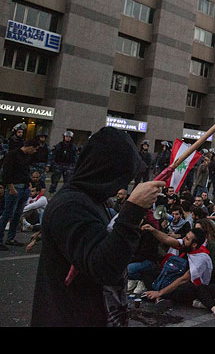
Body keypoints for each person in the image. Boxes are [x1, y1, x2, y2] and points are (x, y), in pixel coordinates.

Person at [30, 126, 165, 327]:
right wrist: (132, 211)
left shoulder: (93, 200)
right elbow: (104, 267)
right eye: (121, 175)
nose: (122, 185)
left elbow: (96, 252)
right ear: (106, 169)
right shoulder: (70, 205)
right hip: (69, 316)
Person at [144, 227, 213, 307]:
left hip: (193, 286)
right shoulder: (187, 245)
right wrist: (153, 230)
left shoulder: (201, 259)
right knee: (148, 273)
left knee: (184, 289)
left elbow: (183, 279)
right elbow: (167, 239)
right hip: (179, 275)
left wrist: (160, 292)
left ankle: (160, 295)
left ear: (194, 245)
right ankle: (160, 295)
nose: (183, 239)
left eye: (186, 239)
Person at [0, 138, 40, 250]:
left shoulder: (27, 157)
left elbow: (26, 171)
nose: (35, 152)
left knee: (17, 214)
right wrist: (10, 187)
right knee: (8, 213)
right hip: (15, 187)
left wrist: (29, 185)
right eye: (35, 149)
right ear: (30, 147)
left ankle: (11, 238)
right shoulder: (13, 155)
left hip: (24, 186)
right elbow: (6, 172)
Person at [48, 130, 78, 195]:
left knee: (67, 181)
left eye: (69, 137)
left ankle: (65, 193)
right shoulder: (59, 145)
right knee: (54, 180)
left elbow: (75, 157)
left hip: (68, 166)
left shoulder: (73, 147)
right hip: (58, 165)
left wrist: (74, 166)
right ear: (64, 137)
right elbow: (53, 155)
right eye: (66, 136)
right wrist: (53, 164)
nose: (68, 138)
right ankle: (51, 192)